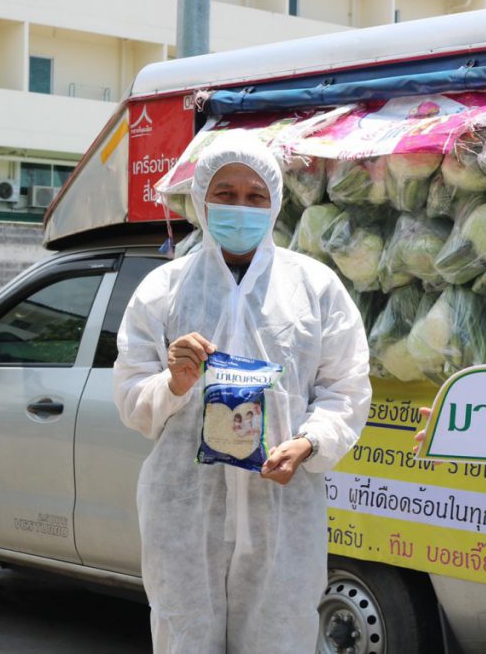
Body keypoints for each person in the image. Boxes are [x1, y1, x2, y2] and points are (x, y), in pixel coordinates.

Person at [113, 131, 371, 653]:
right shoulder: (163, 290)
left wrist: (309, 444)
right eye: (225, 194)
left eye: (255, 196)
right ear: (202, 200)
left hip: (283, 511)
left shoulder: (314, 288)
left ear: (274, 204)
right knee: (184, 634)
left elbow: (345, 387)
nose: (240, 207)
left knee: (280, 637)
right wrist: (174, 384)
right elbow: (132, 399)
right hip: (184, 515)